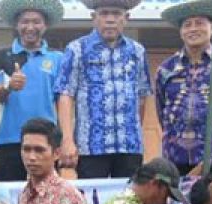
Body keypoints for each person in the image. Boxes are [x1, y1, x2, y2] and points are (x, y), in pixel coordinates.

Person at [56, 0, 152, 179]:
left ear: (127, 18)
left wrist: (135, 132)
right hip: (91, 146)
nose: (110, 19)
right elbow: (66, 95)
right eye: (104, 13)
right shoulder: (77, 49)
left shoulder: (137, 52)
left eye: (116, 14)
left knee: (128, 201)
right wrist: (67, 140)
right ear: (94, 18)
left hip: (129, 146)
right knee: (92, 200)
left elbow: (142, 96)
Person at [156, 0, 212, 174]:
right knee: (176, 200)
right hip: (173, 155)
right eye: (187, 25)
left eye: (200, 23)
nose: (193, 29)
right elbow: (161, 110)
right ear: (181, 32)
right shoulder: (166, 69)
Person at [0, 0, 65, 182]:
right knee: (11, 200)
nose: (30, 27)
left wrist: (66, 139)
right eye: (24, 22)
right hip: (10, 140)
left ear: (45, 25)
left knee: (48, 197)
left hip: (46, 140)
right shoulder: (1, 56)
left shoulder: (58, 59)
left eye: (36, 21)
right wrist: (9, 86)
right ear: (16, 25)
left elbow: (63, 101)